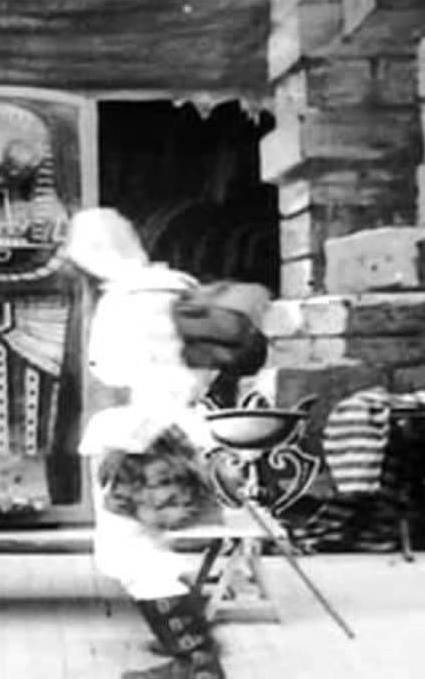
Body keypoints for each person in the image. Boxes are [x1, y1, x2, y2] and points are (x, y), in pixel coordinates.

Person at [63, 208, 270, 679]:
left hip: (140, 440)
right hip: (173, 433)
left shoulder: (128, 302)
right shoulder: (176, 288)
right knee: (145, 546)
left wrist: (126, 444)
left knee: (130, 553)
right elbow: (191, 377)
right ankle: (192, 647)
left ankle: (196, 660)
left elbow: (140, 381)